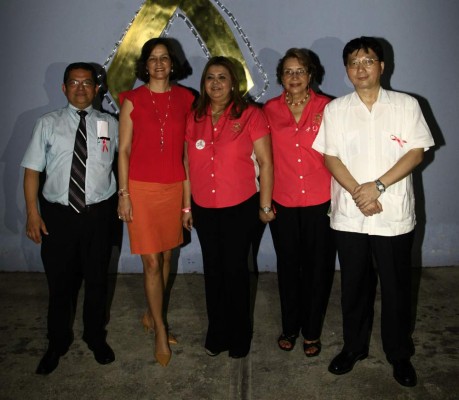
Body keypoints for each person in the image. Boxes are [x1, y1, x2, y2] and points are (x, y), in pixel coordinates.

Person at [313, 36, 435, 387]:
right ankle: (354, 347)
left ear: (382, 66)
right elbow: (330, 156)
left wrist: (377, 186)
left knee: (396, 287)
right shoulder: (336, 109)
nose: (360, 68)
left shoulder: (406, 105)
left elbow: (416, 152)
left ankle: (399, 353)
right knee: (354, 285)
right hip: (350, 214)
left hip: (392, 213)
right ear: (346, 70)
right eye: (353, 63)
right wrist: (359, 192)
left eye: (367, 61)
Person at [22, 62, 118, 375]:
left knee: (97, 282)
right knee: (60, 284)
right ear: (63, 88)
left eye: (87, 82)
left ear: (97, 89)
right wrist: (33, 214)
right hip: (58, 218)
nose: (80, 88)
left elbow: (127, 161)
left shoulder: (110, 124)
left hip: (98, 216)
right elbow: (32, 171)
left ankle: (95, 337)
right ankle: (57, 341)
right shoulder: (47, 123)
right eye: (74, 83)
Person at [182, 56, 274, 358]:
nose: (216, 83)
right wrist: (186, 207)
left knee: (235, 271)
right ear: (203, 83)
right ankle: (217, 333)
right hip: (204, 207)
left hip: (241, 206)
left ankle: (239, 336)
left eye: (222, 77)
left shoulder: (251, 115)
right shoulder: (194, 117)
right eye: (210, 77)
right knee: (213, 271)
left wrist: (264, 206)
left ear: (233, 82)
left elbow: (266, 163)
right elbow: (186, 164)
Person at [117, 38, 195, 367]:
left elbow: (187, 156)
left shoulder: (187, 99)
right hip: (140, 189)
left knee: (165, 257)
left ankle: (151, 314)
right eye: (153, 58)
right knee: (151, 262)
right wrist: (124, 194)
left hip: (173, 188)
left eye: (165, 58)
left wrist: (187, 204)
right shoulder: (132, 100)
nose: (159, 63)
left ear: (173, 63)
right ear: (145, 65)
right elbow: (123, 150)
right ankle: (160, 329)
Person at [263, 48, 335, 357]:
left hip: (321, 200)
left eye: (300, 71)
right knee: (289, 267)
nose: (294, 77)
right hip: (284, 200)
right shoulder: (269, 110)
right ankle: (290, 326)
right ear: (281, 76)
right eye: (288, 71)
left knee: (318, 268)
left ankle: (312, 331)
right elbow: (262, 158)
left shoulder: (328, 107)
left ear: (310, 75)